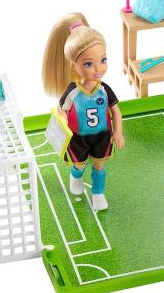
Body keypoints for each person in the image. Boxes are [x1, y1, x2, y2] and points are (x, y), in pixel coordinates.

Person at [42, 12, 124, 211]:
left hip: (102, 135)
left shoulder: (104, 89)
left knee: (99, 165)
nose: (98, 68)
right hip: (78, 137)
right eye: (88, 64)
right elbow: (62, 110)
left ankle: (98, 193)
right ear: (74, 65)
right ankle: (75, 176)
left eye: (103, 60)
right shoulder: (73, 91)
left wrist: (118, 132)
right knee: (79, 164)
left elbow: (115, 111)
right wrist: (63, 123)